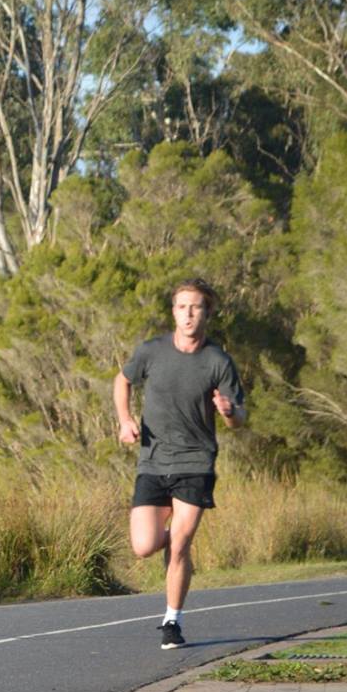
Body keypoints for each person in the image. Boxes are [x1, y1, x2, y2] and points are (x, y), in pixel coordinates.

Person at [113, 278, 246, 650]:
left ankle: (172, 620)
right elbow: (122, 381)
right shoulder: (152, 351)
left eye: (196, 307)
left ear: (207, 313)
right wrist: (125, 420)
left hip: (195, 462)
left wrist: (228, 411)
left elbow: (239, 418)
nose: (188, 314)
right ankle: (178, 545)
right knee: (144, 546)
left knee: (181, 545)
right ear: (173, 312)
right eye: (181, 307)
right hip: (153, 461)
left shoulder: (218, 361)